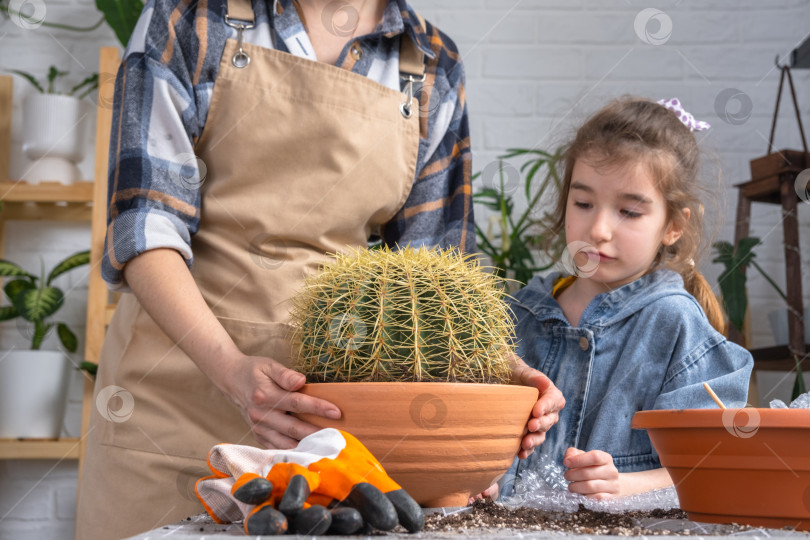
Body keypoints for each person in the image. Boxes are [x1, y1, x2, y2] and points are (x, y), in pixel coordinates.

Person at [75, 0, 564, 538]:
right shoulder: (190, 18)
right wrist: (233, 371)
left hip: (332, 432)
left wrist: (496, 373)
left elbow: (437, 270)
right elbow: (145, 226)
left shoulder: (429, 63)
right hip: (171, 406)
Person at [475, 96, 753, 503]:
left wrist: (625, 486)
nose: (599, 229)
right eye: (583, 203)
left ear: (673, 225)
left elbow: (715, 465)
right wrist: (483, 479)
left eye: (629, 211)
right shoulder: (518, 313)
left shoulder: (674, 324)